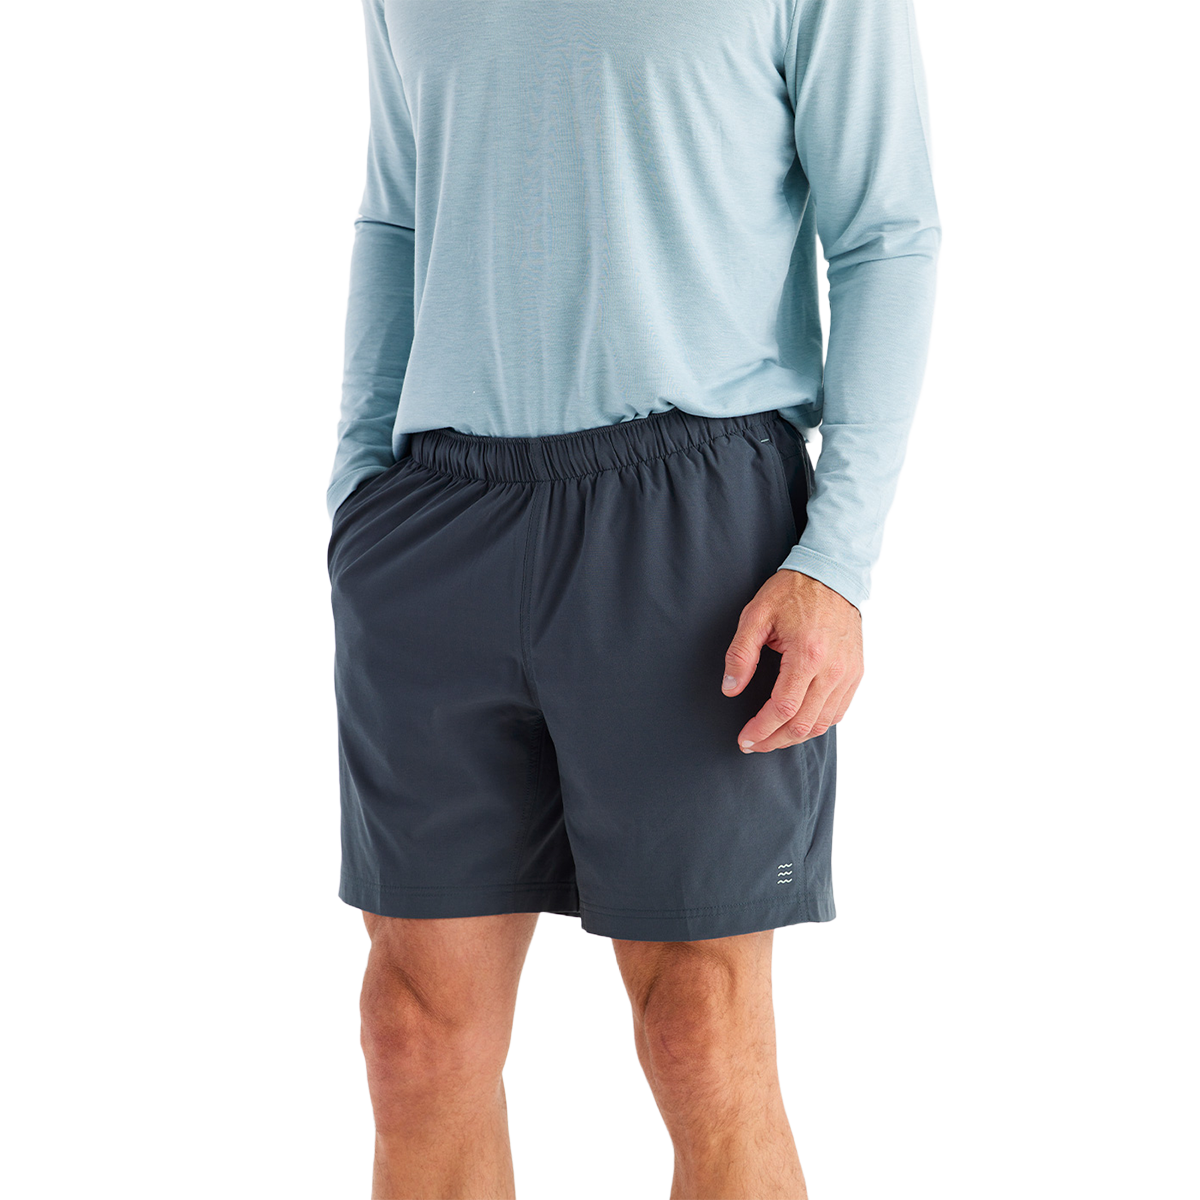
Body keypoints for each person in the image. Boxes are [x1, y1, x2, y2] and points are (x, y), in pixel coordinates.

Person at [325, 0, 942, 1195]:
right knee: (414, 1041)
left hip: (690, 524)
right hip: (435, 517)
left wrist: (835, 559)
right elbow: (397, 211)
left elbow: (887, 234)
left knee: (698, 1031)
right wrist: (360, 485)